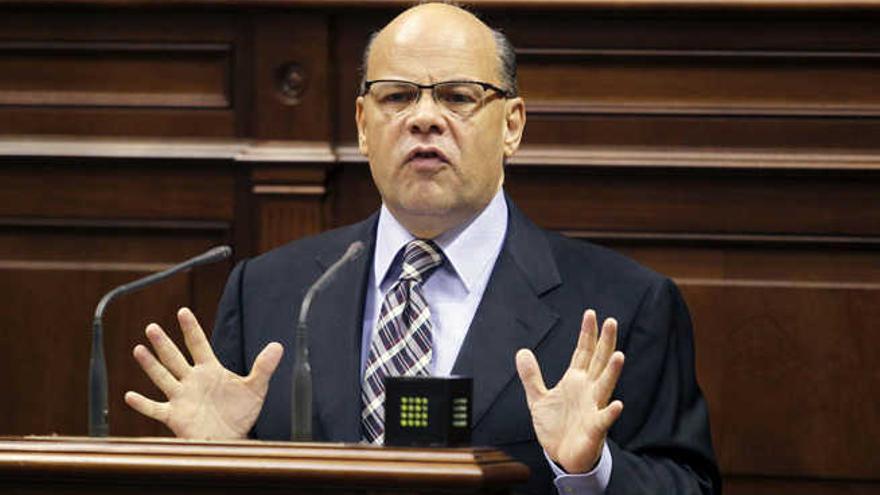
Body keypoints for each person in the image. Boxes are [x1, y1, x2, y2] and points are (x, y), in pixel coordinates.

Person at [124, 3, 720, 494]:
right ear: (362, 123)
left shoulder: (624, 304)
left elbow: (688, 486)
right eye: (397, 97)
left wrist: (590, 471)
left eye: (459, 97)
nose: (424, 119)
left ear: (511, 124)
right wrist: (220, 465)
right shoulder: (271, 294)